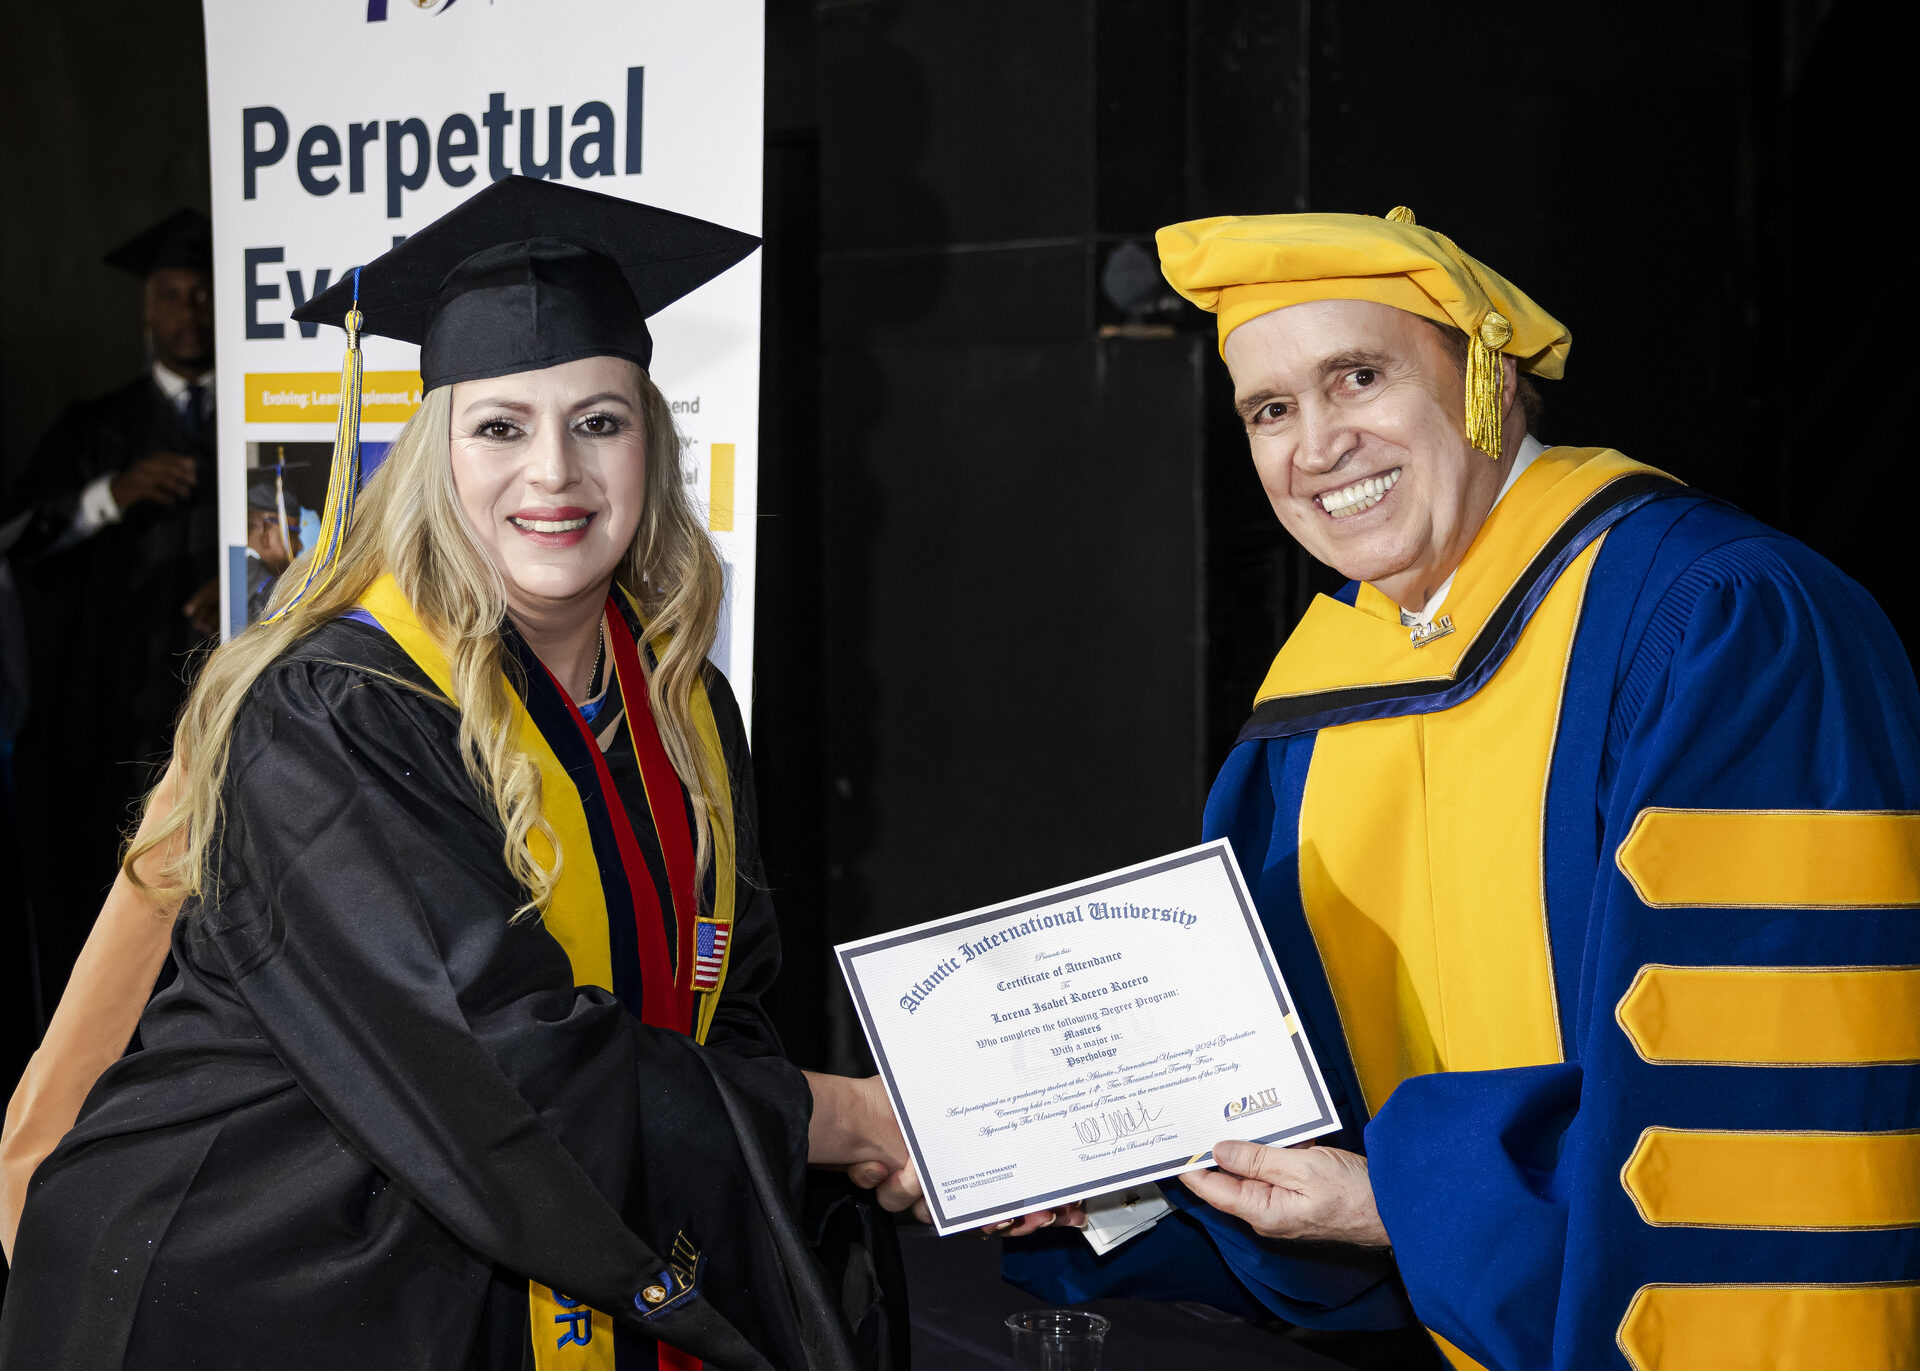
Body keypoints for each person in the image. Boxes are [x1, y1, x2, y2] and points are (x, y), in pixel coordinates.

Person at [0, 177, 922, 1370]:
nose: (555, 473)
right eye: (500, 427)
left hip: (515, 1249)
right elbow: (496, 1062)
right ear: (433, 454)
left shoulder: (683, 703)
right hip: (269, 1279)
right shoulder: (332, 709)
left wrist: (905, 1139)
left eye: (599, 421)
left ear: (651, 444)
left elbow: (725, 999)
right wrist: (842, 1118)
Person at [1005, 206, 1920, 1370]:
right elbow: (1308, 1100)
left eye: (1359, 377)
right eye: (1270, 410)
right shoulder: (1325, 692)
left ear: (1487, 382)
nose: (1317, 446)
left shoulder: (1717, 620)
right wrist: (1115, 1179)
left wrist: (1402, 1202)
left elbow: (1759, 1115)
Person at [3, 209, 219, 1016]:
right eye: (171, 294)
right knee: (103, 918)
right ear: (146, 310)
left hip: (212, 708)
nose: (188, 312)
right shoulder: (95, 428)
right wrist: (110, 496)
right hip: (107, 714)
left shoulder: (260, 416)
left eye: (204, 294)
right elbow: (23, 542)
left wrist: (247, 593)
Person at [243, 480, 302, 622]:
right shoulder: (266, 591)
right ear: (266, 530)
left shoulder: (238, 573)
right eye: (292, 533)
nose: (300, 545)